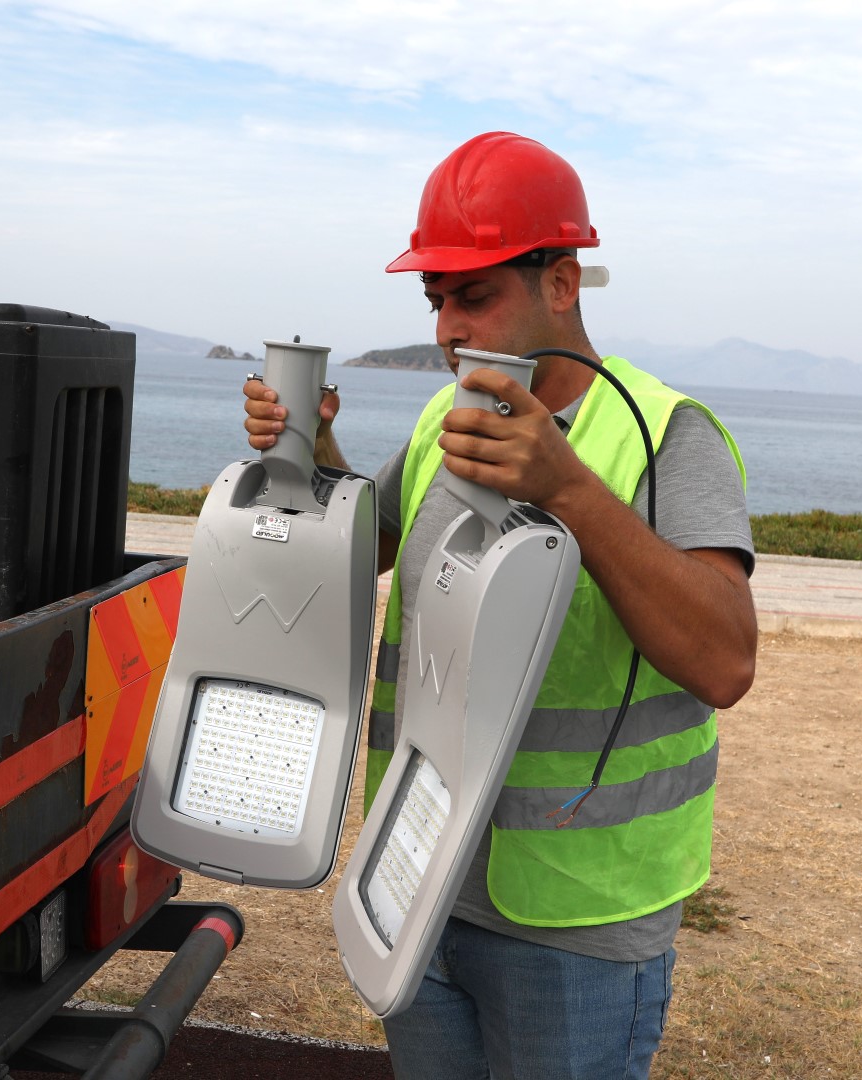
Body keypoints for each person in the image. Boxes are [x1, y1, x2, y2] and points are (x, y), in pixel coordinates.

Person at [244, 131, 757, 1080]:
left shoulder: (667, 435)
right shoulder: (449, 416)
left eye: (473, 295)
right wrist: (314, 457)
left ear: (561, 282)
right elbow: (376, 546)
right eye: (436, 300)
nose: (446, 328)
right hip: (420, 873)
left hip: (574, 913)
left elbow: (726, 659)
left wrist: (569, 489)